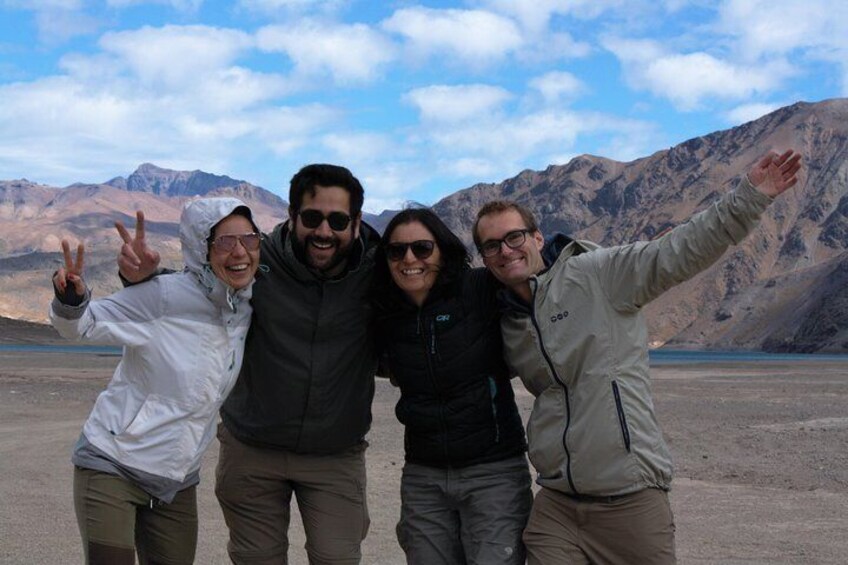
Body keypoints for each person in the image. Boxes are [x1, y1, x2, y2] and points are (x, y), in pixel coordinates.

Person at [472, 149, 803, 565]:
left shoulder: (599, 273)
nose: (505, 250)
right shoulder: (509, 321)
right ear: (483, 258)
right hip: (556, 502)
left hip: (629, 501)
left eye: (514, 237)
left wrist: (751, 196)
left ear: (537, 238)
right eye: (491, 245)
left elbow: (680, 249)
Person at [116, 164, 379, 564]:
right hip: (253, 449)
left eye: (338, 220)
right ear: (292, 217)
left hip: (335, 453)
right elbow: (203, 288)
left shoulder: (376, 273)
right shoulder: (257, 261)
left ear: (356, 224)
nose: (324, 232)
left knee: (338, 557)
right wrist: (142, 281)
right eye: (312, 218)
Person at [51, 197, 261, 564]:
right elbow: (83, 326)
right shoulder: (164, 297)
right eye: (225, 242)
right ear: (201, 248)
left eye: (250, 238)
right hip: (113, 464)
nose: (240, 251)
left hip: (176, 481)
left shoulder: (246, 305)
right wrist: (72, 299)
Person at [371, 208, 532, 564]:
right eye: (396, 251)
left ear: (443, 250)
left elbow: (531, 274)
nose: (409, 259)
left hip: (493, 473)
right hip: (424, 476)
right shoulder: (384, 314)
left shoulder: (478, 289)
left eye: (422, 248)